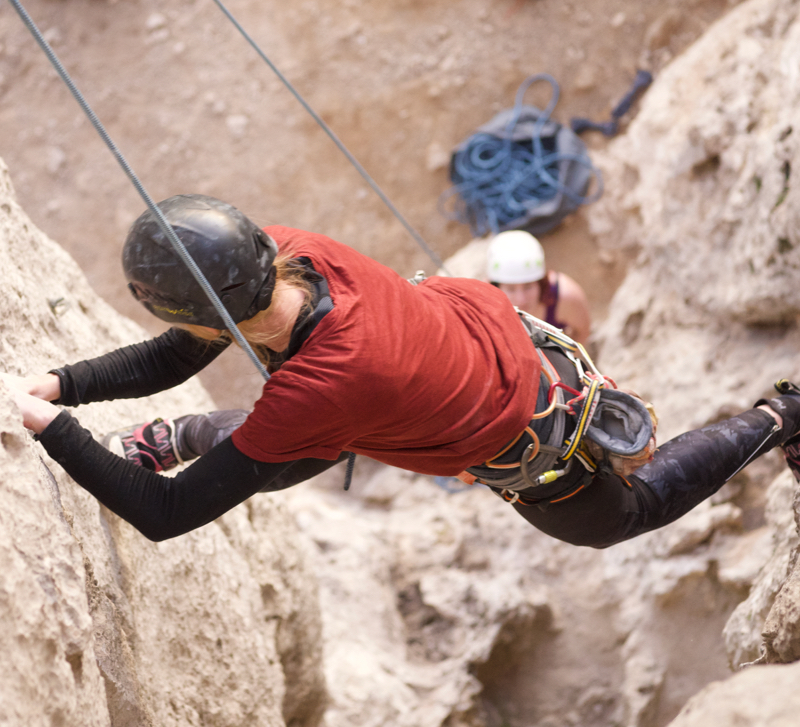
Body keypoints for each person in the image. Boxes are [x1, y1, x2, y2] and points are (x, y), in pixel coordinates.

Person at [3, 194, 800, 550]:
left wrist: (54, 429)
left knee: (624, 516)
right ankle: (177, 432)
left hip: (523, 428)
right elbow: (183, 351)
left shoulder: (322, 385)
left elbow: (164, 512)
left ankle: (782, 415)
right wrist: (63, 383)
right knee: (298, 445)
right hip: (474, 342)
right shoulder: (287, 249)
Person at [486, 230, 592, 346]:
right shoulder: (483, 306)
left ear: (541, 283)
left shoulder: (565, 297)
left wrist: (565, 360)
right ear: (495, 288)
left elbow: (582, 332)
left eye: (528, 286)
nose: (521, 299)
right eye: (511, 289)